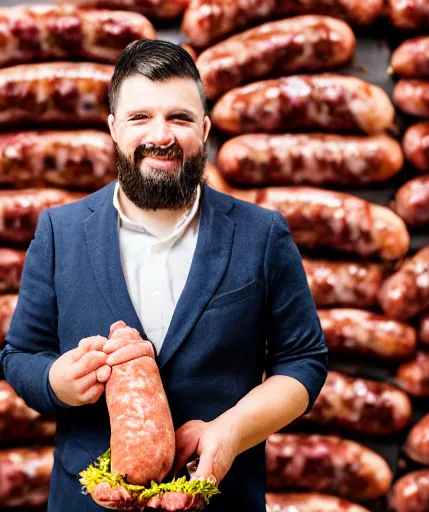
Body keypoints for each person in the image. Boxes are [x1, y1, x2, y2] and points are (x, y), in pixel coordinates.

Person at [0, 40, 328, 512]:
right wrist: (56, 381)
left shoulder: (261, 233)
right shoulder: (60, 232)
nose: (162, 136)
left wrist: (230, 431)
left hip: (221, 498)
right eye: (139, 118)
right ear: (113, 128)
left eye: (180, 118)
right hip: (86, 501)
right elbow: (19, 356)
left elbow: (304, 361)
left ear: (205, 129)